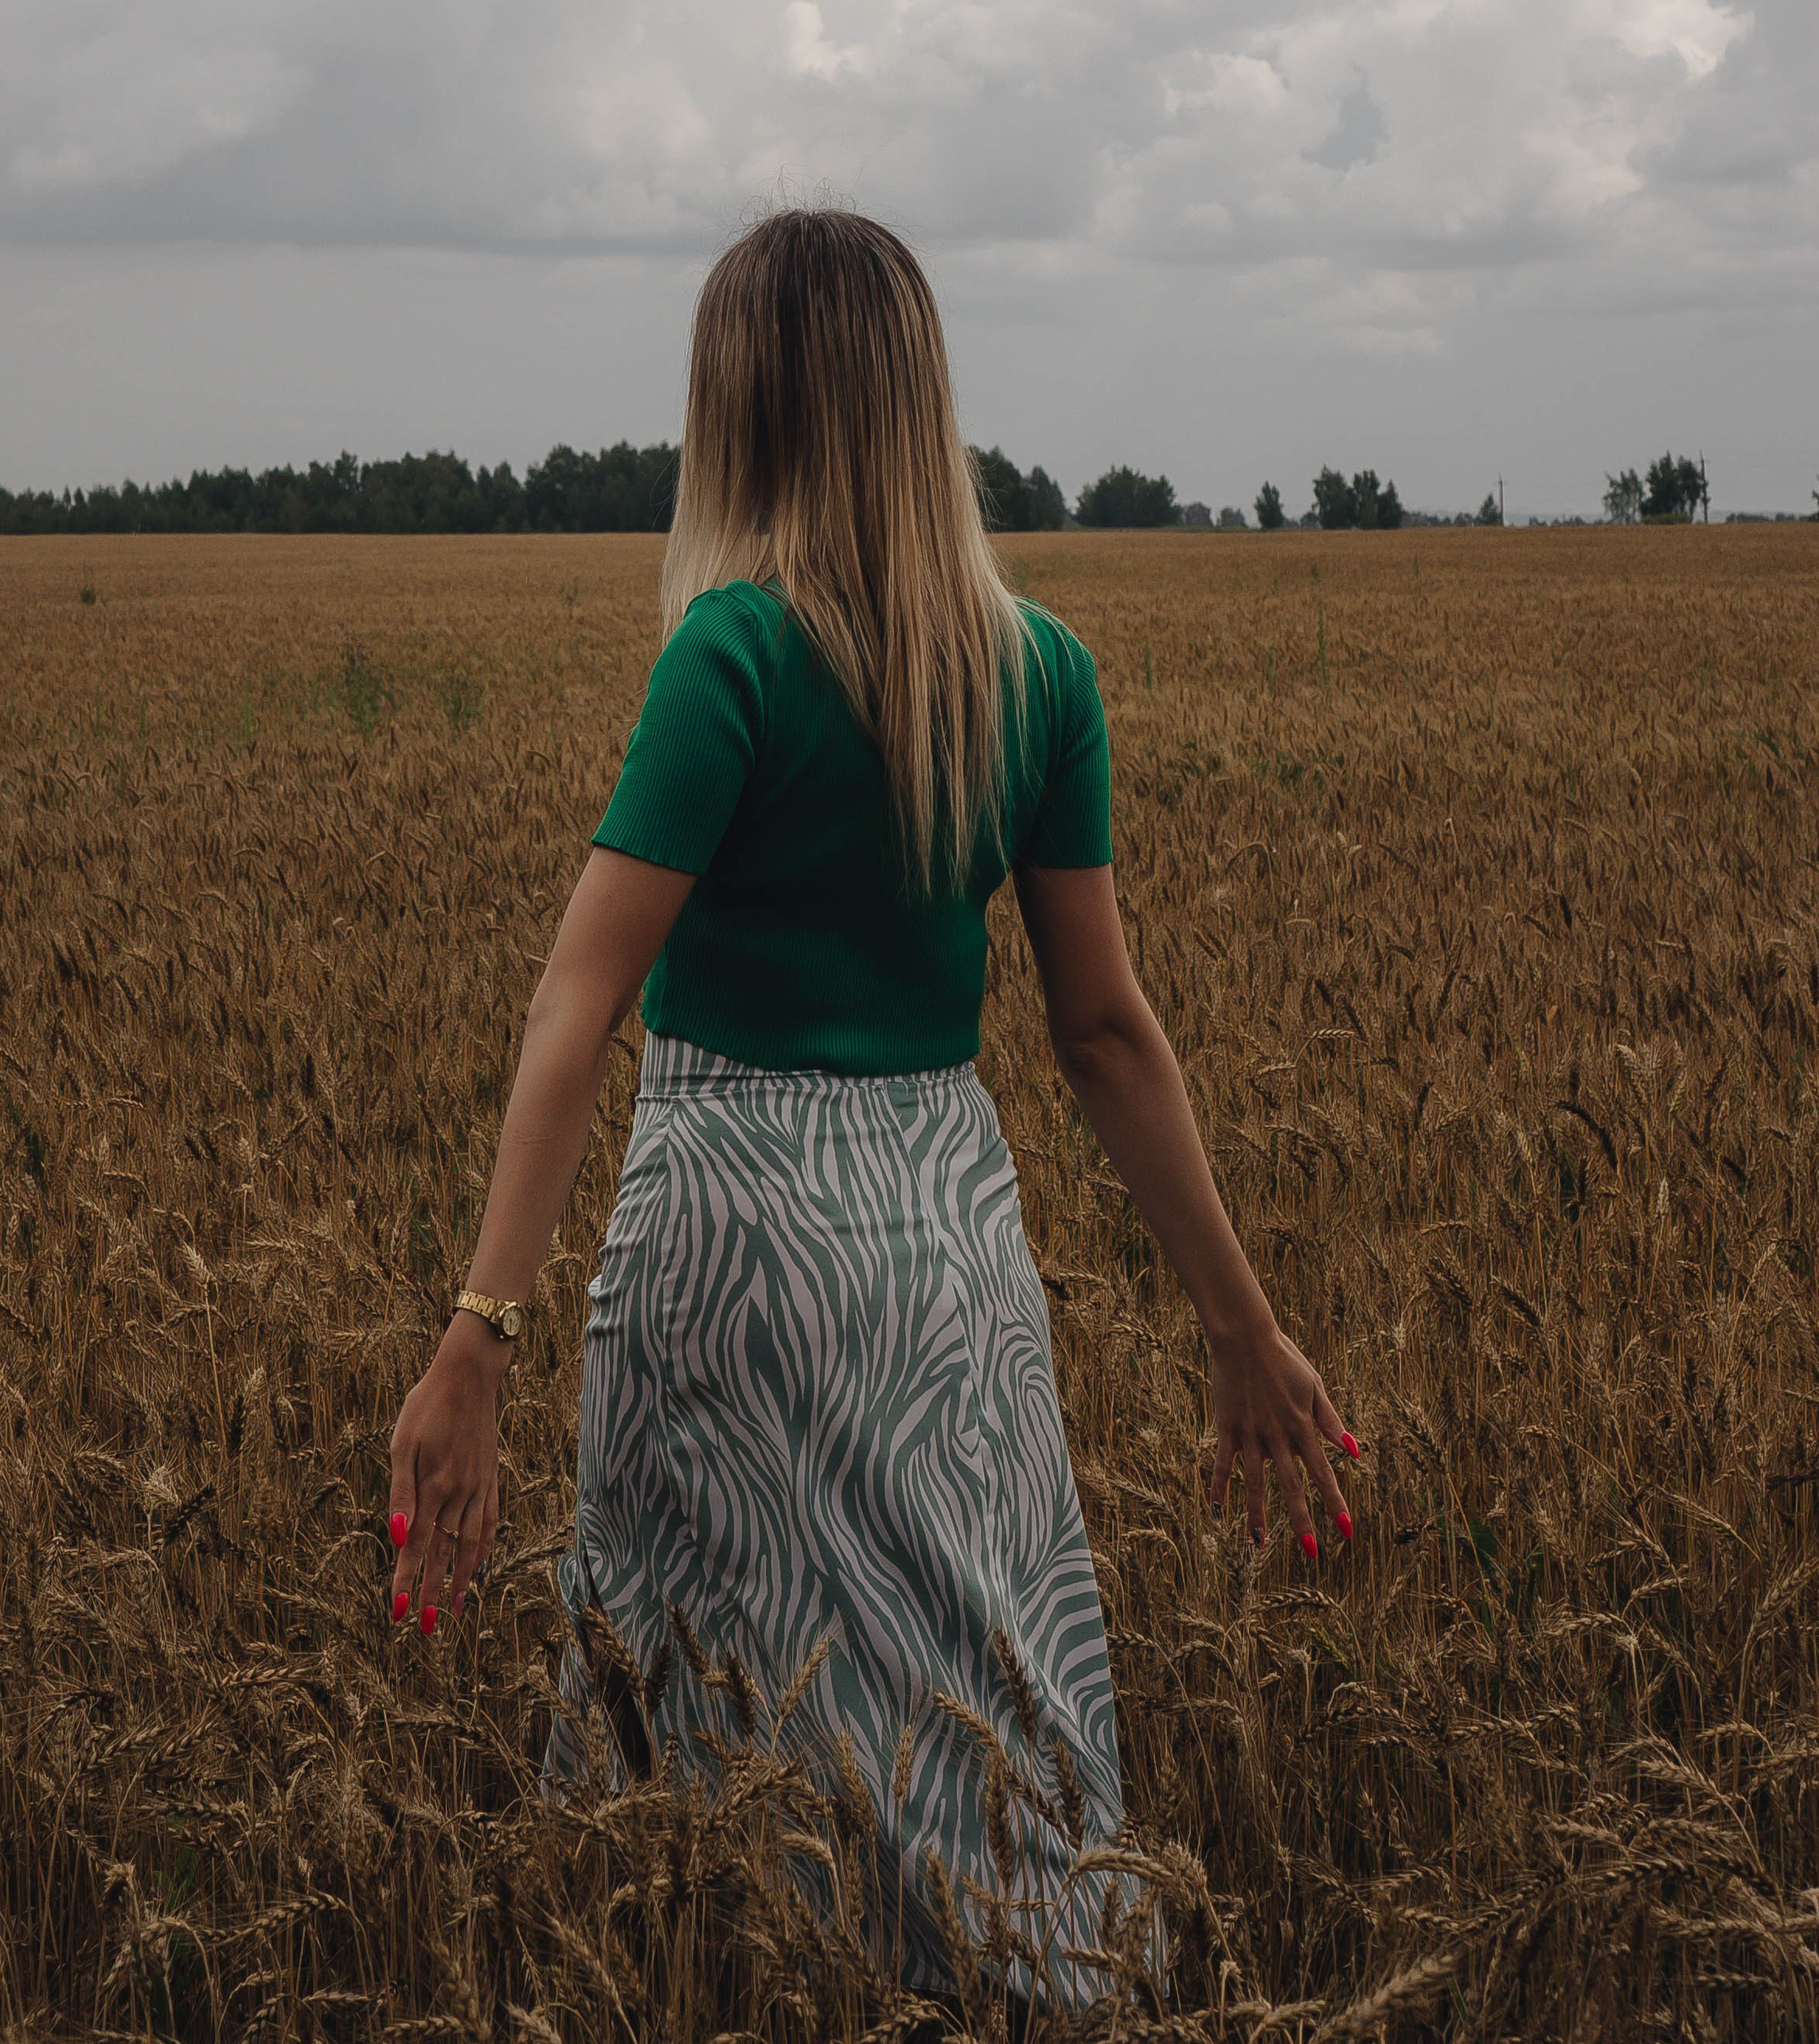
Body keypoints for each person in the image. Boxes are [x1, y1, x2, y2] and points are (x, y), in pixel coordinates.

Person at [387, 207, 1356, 2008]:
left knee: (697, 1690)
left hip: (727, 1226)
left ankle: (726, 1987)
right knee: (976, 1677)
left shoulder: (731, 654)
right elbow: (1106, 1035)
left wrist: (477, 1330)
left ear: (735, 403)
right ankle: (1032, 1984)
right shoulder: (1041, 673)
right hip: (937, 1237)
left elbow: (578, 996)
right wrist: (1243, 1327)